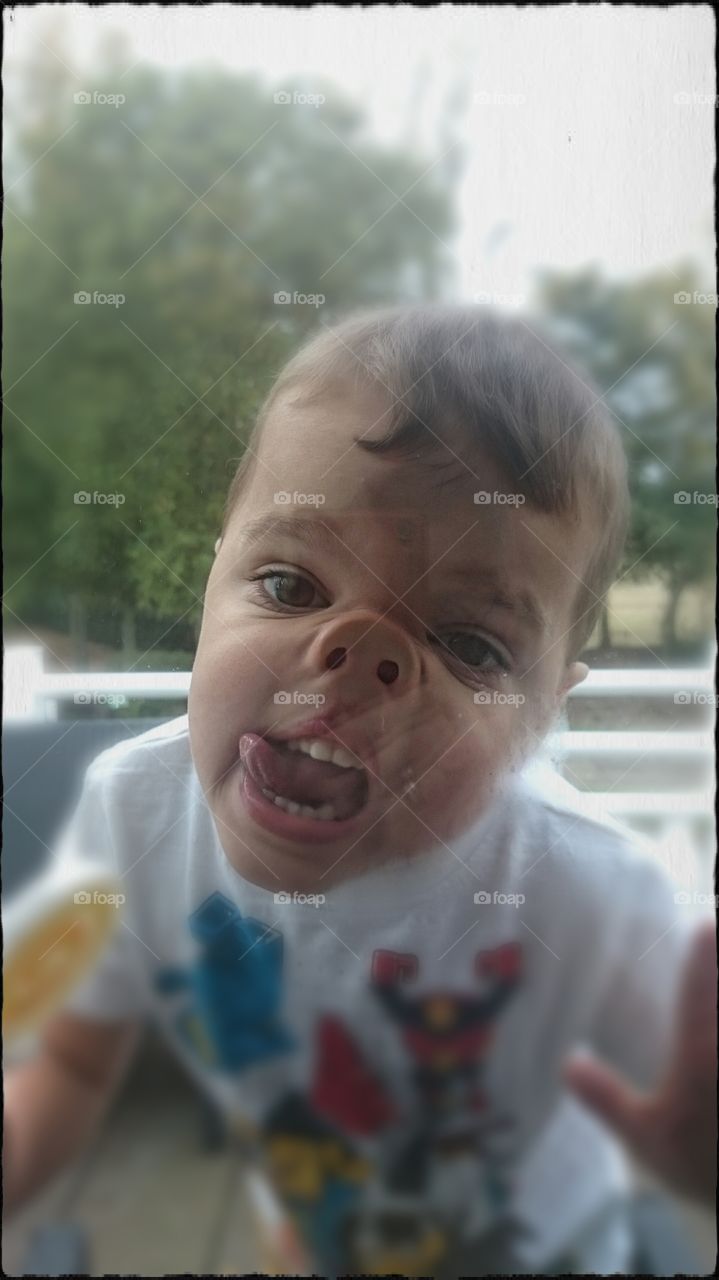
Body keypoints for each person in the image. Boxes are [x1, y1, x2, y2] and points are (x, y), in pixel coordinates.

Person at [4, 305, 715, 1276]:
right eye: (290, 585)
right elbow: (75, 1058)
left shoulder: (591, 889)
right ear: (211, 577)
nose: (356, 657)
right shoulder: (134, 812)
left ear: (544, 711)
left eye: (468, 645)